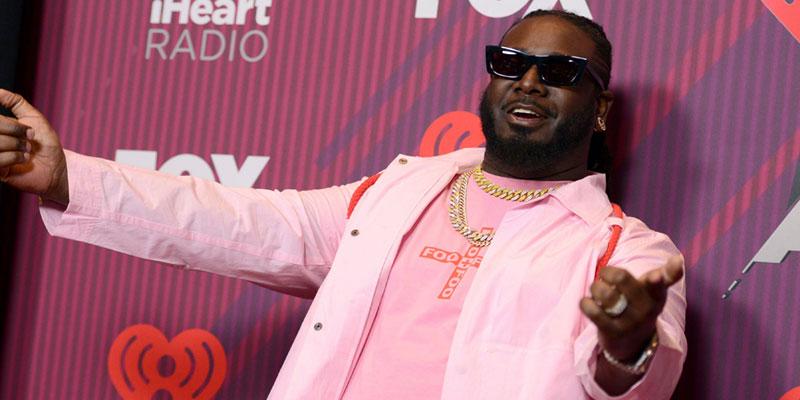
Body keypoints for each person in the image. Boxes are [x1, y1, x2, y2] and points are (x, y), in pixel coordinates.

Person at [0, 10, 686, 400]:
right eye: (510, 61)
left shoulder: (626, 252)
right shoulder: (395, 192)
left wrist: (627, 344)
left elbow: (644, 376)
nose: (529, 81)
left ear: (600, 110)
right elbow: (232, 221)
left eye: (563, 72)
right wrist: (66, 177)